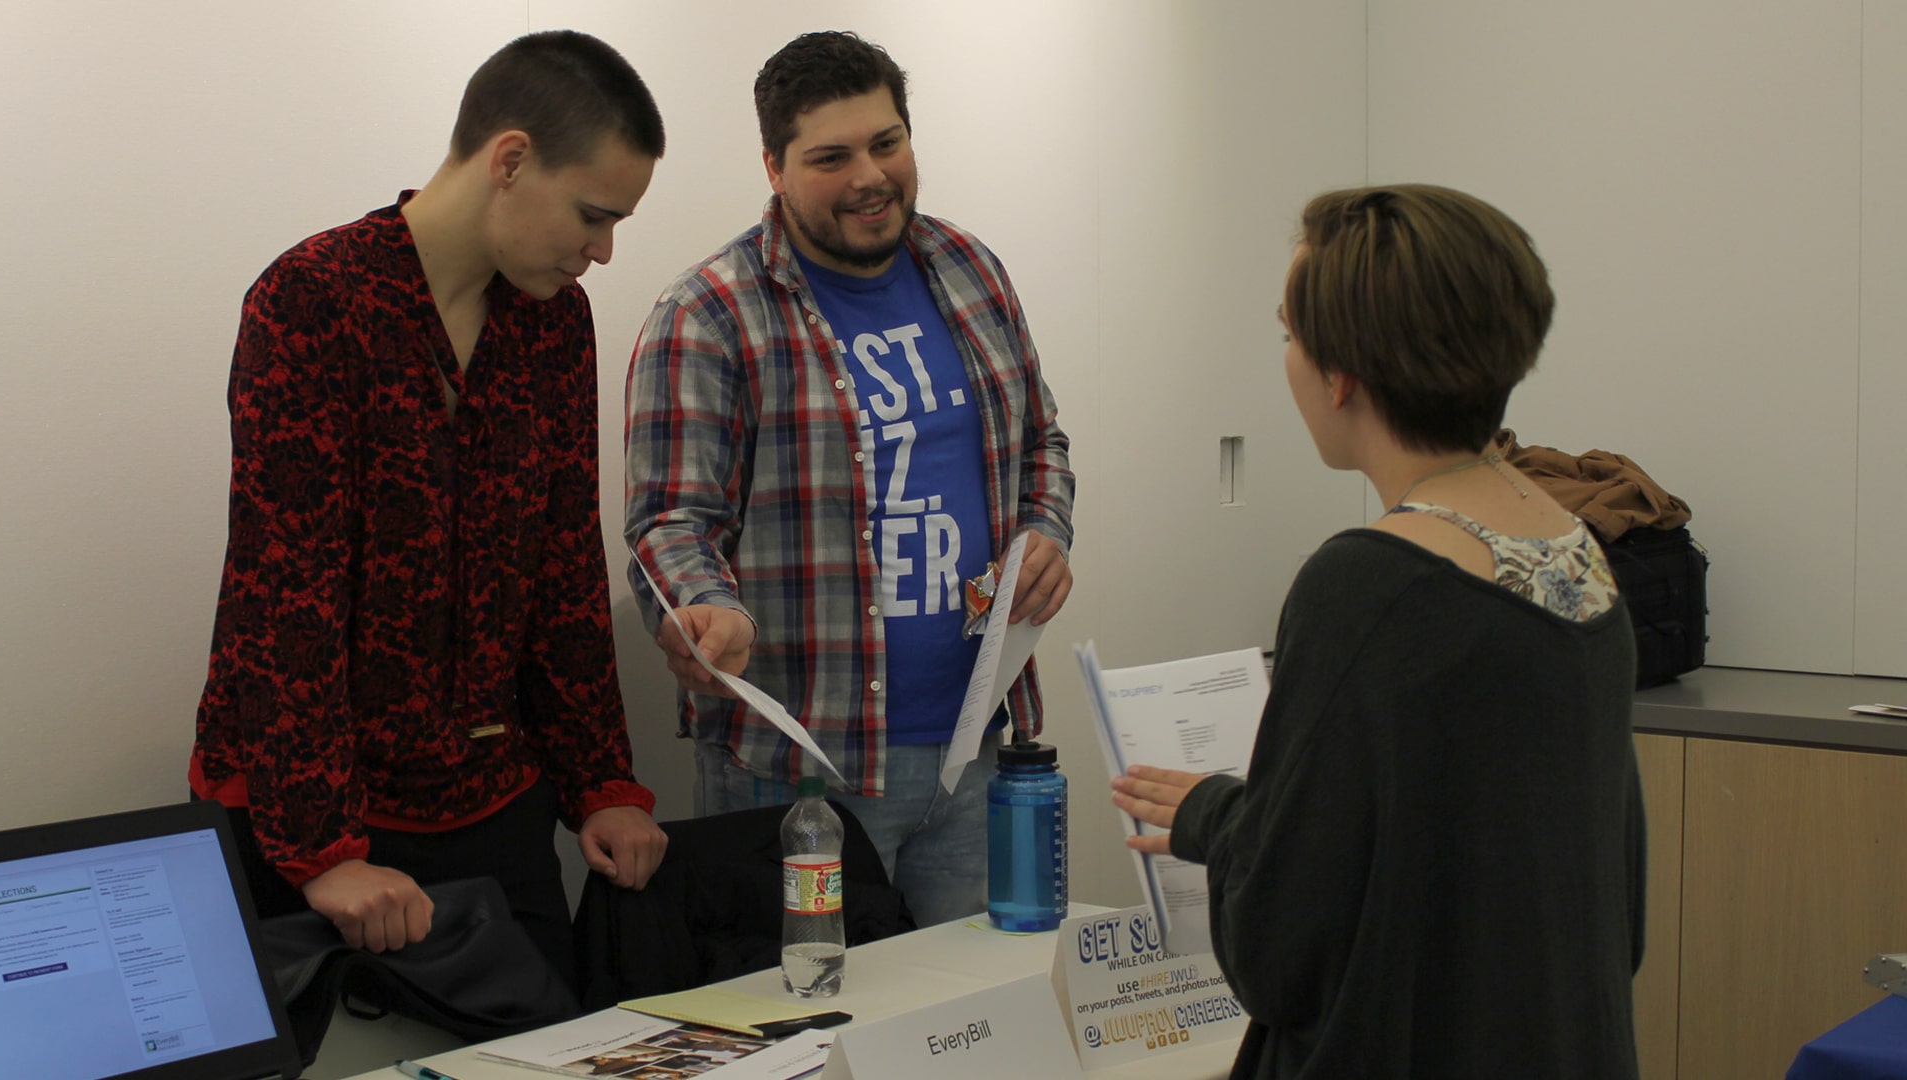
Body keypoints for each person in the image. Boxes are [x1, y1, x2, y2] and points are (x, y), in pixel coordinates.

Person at [1110, 185, 1646, 1078]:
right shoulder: (1575, 549)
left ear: (1342, 374)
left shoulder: (1368, 584)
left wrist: (1220, 817)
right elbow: (1593, 900)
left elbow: (1282, 947)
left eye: (1289, 334)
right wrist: (1237, 815)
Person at [189, 30, 669, 993]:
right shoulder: (312, 301)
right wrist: (324, 851)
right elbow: (289, 591)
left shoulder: (552, 324)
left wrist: (600, 785)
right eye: (593, 214)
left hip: (490, 801)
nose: (605, 251)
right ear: (510, 159)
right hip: (310, 821)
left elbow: (563, 571)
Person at [624, 31, 1075, 926]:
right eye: (831, 157)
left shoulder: (971, 269)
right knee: (813, 1040)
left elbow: (1042, 442)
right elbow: (671, 520)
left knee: (974, 1032)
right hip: (801, 777)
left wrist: (1048, 533)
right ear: (775, 166)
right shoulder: (707, 313)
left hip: (976, 747)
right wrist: (705, 609)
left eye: (887, 143)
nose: (871, 175)